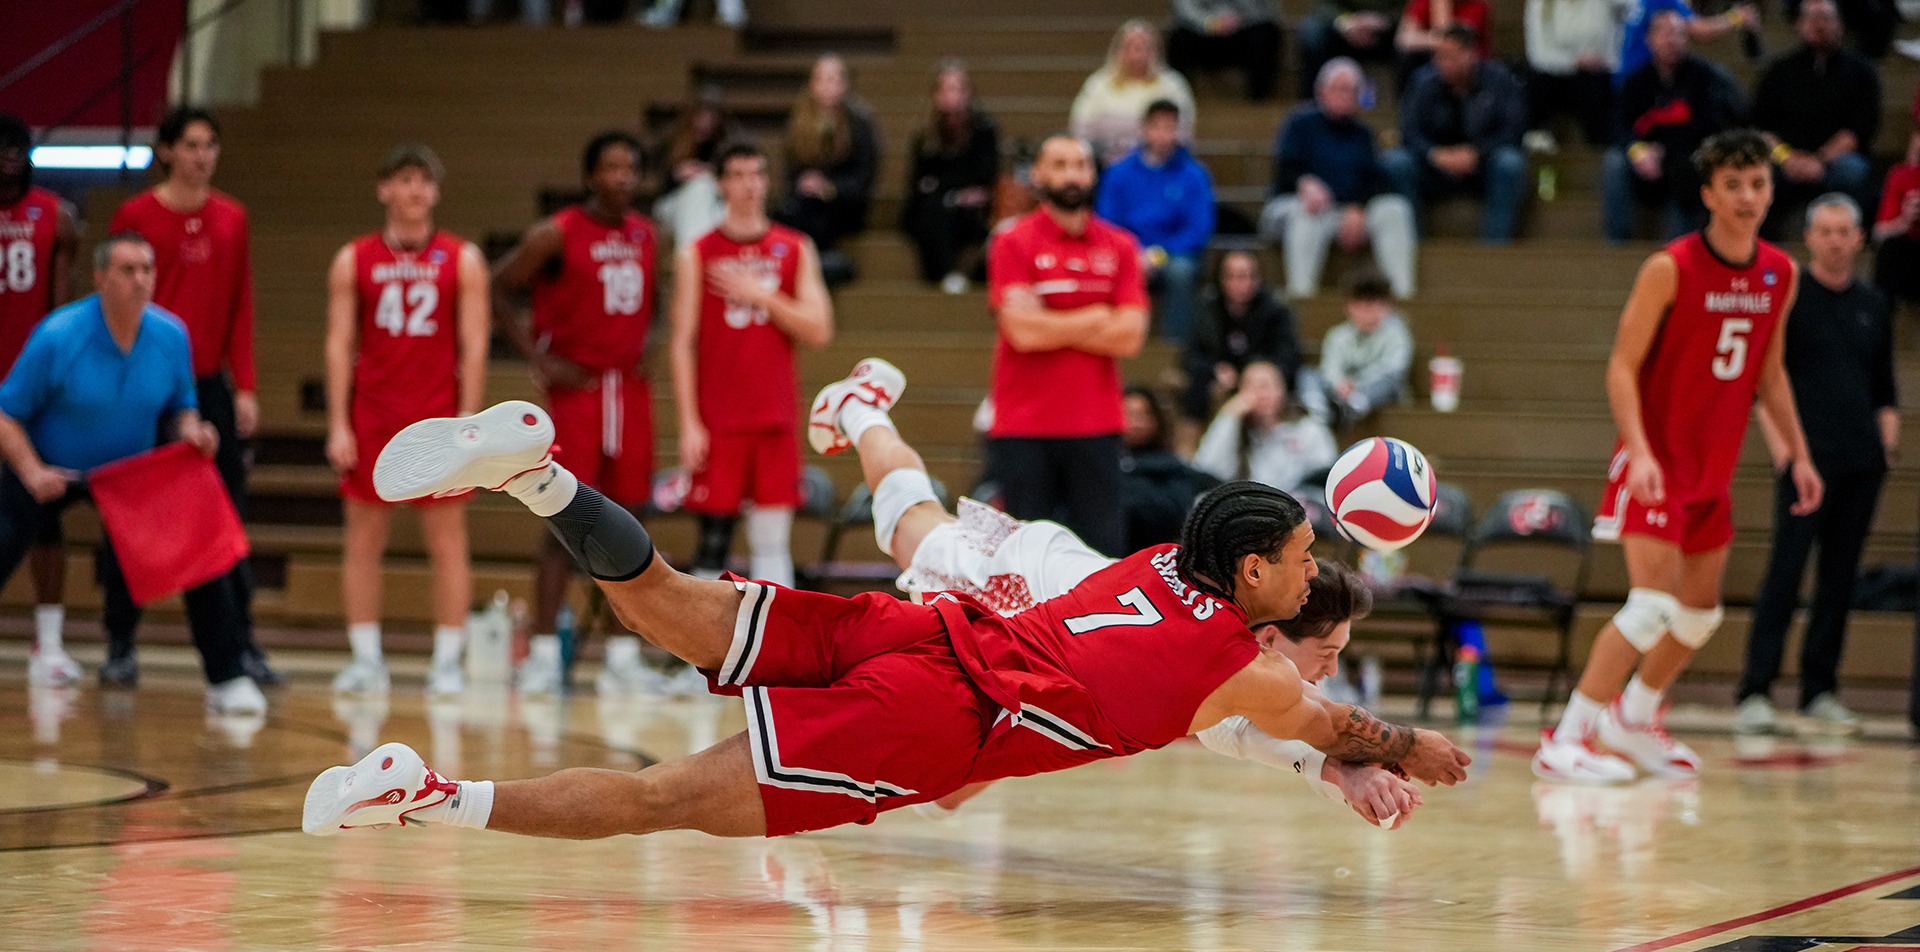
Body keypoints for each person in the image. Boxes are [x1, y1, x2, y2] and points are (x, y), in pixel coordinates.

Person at [301, 364, 1470, 837]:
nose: (1315, 570)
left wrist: (1333, 745)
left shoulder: (1165, 558)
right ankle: (426, 794)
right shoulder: (1248, 672)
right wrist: (1404, 749)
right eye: (1308, 561)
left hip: (928, 621)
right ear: (1256, 580)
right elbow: (1317, 719)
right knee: (667, 798)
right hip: (934, 712)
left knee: (669, 600)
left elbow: (1284, 714)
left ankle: (543, 476)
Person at [811, 358, 1411, 824]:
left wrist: (1342, 766)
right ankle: (862, 408)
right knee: (905, 519)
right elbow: (1250, 734)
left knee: (953, 792)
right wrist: (1340, 773)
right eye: (1326, 657)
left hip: (1059, 607)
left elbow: (1272, 727)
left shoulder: (1227, 616)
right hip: (1018, 580)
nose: (1329, 674)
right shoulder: (1216, 657)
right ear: (1273, 638)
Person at [1536, 129, 1822, 783]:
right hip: (1656, 463)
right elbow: (1621, 367)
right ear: (1708, 194)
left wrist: (1798, 456)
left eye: (1758, 184)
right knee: (1651, 606)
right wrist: (1638, 452)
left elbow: (1770, 375)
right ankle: (1569, 735)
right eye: (1734, 185)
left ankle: (1634, 720)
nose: (1749, 196)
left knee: (1699, 613)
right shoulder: (1671, 266)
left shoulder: (1781, 271)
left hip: (1711, 471)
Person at [0, 234, 262, 713]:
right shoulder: (59, 336)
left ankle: (228, 677)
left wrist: (193, 431)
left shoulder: (171, 335)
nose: (140, 280)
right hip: (51, 468)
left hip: (131, 477)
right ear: (100, 278)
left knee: (203, 553)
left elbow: (181, 408)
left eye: (147, 270)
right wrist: (33, 471)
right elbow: (6, 413)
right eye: (127, 270)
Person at [489, 131, 660, 697]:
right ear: (591, 176)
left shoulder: (647, 235)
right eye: (610, 167)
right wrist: (538, 357)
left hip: (627, 394)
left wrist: (650, 346)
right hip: (578, 394)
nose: (622, 177)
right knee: (563, 522)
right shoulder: (556, 233)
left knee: (630, 526)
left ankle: (622, 657)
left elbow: (651, 306)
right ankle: (542, 652)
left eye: (630, 167)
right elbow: (497, 285)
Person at [110, 105, 275, 689]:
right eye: (192, 144)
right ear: (166, 151)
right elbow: (116, 302)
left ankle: (243, 644)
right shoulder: (135, 216)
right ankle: (119, 642)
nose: (203, 156)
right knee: (133, 515)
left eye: (211, 145)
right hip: (143, 388)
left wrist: (246, 386)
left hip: (207, 388)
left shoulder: (232, 218)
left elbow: (241, 307)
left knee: (225, 520)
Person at [323, 145, 488, 696]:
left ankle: (446, 661)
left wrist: (469, 423)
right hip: (373, 416)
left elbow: (474, 344)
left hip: (438, 419)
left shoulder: (461, 258)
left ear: (436, 193)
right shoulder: (354, 258)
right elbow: (339, 342)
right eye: (405, 180)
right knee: (364, 536)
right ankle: (366, 659)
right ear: (384, 189)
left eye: (425, 181)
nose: (416, 190)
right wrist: (339, 424)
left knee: (446, 537)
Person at [1734, 195, 1895, 737]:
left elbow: (1884, 388)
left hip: (1860, 464)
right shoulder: (1789, 297)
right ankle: (1755, 690)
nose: (1834, 239)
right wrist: (1785, 451)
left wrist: (1884, 450)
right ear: (1809, 238)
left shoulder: (1873, 303)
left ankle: (1819, 690)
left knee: (1839, 579)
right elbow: (1763, 378)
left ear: (1859, 237)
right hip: (1806, 463)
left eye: (1844, 230)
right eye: (1824, 230)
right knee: (1785, 573)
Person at [673, 142, 833, 587]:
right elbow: (681, 343)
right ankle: (698, 653)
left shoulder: (794, 247)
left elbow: (819, 329)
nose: (748, 184)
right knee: (711, 542)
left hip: (774, 416)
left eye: (756, 173)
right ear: (721, 184)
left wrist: (761, 294)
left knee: (772, 540)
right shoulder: (697, 253)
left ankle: (773, 652)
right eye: (738, 175)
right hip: (719, 419)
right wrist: (689, 422)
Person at [983, 134, 1149, 558]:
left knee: (1103, 559)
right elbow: (1022, 333)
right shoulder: (1011, 242)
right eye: (1059, 164)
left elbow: (1130, 336)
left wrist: (1049, 318)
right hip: (1024, 424)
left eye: (1080, 164)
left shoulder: (1121, 246)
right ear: (1038, 174)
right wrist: (1096, 317)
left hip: (1096, 422)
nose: (1071, 174)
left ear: (1093, 174)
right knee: (1021, 563)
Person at [0, 114, 81, 687]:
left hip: (28, 390)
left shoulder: (56, 216)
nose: (9, 155)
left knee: (43, 513)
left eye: (17, 147)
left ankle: (49, 643)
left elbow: (61, 309)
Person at [1259, 58, 1417, 300]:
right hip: (1295, 208)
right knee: (1307, 211)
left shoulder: (1363, 134)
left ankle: (1402, 297)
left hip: (1343, 212)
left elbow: (1375, 179)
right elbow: (1284, 169)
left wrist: (1357, 208)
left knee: (1395, 209)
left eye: (1353, 91)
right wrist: (1304, 183)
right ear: (1322, 91)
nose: (1346, 96)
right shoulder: (1299, 124)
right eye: (1340, 89)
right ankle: (1302, 298)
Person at [1602, 9, 1747, 243]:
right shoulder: (1636, 81)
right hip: (1645, 162)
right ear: (1649, 39)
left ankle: (1680, 248)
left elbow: (1711, 125)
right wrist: (1637, 150)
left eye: (1678, 34)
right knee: (1614, 162)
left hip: (1685, 157)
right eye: (1664, 33)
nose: (1671, 40)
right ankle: (1616, 243)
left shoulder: (1704, 77)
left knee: (1687, 167)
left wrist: (1664, 150)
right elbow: (1619, 125)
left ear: (1687, 40)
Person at [1380, 27, 1530, 244]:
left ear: (1470, 54)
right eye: (1439, 56)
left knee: (1510, 163)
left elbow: (1515, 129)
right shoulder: (1423, 82)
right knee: (1396, 162)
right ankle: (1415, 246)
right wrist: (1435, 154)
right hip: (1435, 168)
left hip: (1483, 167)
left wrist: (1478, 153)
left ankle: (1496, 249)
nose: (1443, 63)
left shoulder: (1500, 80)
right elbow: (1409, 132)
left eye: (1451, 56)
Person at [1751, 0, 1880, 235]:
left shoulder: (1861, 72)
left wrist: (1820, 160)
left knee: (1852, 173)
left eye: (1826, 18)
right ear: (1799, 25)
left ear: (1840, 25)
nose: (1819, 25)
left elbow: (1859, 130)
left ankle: (1851, 242)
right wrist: (1787, 158)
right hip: (1786, 160)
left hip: (1835, 161)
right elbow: (1762, 127)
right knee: (1757, 177)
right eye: (1811, 18)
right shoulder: (1779, 71)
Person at [1093, 100, 1215, 345]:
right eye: (1157, 127)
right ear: (1144, 129)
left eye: (1170, 128)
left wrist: (1158, 254)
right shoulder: (1118, 174)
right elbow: (1106, 222)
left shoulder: (1194, 175)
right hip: (1126, 251)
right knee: (1100, 267)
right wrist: (1132, 253)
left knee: (1181, 272)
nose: (1163, 134)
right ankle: (1109, 338)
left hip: (1173, 253)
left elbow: (1198, 228)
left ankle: (1175, 346)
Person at [774, 54, 879, 287]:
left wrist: (828, 187)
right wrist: (806, 185)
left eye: (834, 79)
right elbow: (791, 173)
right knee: (788, 212)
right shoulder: (799, 124)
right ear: (812, 84)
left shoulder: (859, 124)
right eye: (822, 79)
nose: (828, 86)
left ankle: (816, 267)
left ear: (845, 85)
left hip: (845, 204)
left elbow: (863, 179)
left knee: (814, 211)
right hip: (806, 202)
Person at [900, 60, 1000, 295]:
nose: (951, 96)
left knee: (959, 212)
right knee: (934, 212)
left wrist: (948, 188)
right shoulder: (925, 135)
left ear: (968, 93)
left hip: (972, 209)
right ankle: (943, 273)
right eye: (945, 89)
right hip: (933, 207)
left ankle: (964, 273)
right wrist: (951, 190)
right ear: (935, 94)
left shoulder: (984, 130)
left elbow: (985, 175)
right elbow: (919, 182)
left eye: (957, 89)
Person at [1180, 250, 1303, 424]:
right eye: (1234, 276)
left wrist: (1252, 374)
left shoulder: (1276, 310)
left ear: (1258, 279)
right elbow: (1191, 355)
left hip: (1262, 379)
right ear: (1221, 279)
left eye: (1247, 276)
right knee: (1196, 387)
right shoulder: (1207, 309)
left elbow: (1287, 357)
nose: (1242, 283)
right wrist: (1215, 369)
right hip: (1219, 381)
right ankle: (1195, 444)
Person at [1193, 359, 1338, 496]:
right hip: (1251, 509)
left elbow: (1324, 476)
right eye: (1251, 387)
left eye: (1266, 385)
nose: (1261, 394)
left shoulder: (1309, 429)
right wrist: (1230, 415)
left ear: (1282, 390)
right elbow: (1207, 470)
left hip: (1299, 508)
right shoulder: (1236, 430)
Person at [1070, 20, 1198, 166]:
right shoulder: (1098, 85)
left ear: (1155, 52)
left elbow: (1184, 130)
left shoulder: (1173, 85)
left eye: (1142, 48)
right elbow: (1081, 129)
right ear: (1117, 51)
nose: (1136, 55)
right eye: (1129, 48)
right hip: (1107, 164)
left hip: (1161, 164)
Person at [1297, 270, 1412, 427]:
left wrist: (1357, 384)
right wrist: (1339, 383)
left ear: (1387, 306)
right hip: (1341, 391)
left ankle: (1354, 406)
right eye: (1359, 306)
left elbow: (1394, 367)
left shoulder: (1396, 333)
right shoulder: (1338, 335)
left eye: (1371, 305)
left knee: (1390, 383)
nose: (1365, 313)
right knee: (1307, 374)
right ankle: (1318, 412)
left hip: (1374, 391)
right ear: (1347, 307)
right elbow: (1330, 367)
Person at [1524, 0, 1633, 149]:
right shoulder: (1540, 4)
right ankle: (1536, 145)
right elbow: (1538, 55)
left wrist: (1603, 61)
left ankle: (1605, 150)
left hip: (1599, 73)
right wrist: (1574, 62)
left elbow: (1631, 11)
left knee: (1597, 88)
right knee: (1538, 86)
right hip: (1555, 75)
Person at [1120, 385, 1215, 551]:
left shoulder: (1172, 468)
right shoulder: (1099, 468)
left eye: (1144, 414)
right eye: (1129, 414)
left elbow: (1174, 513)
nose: (1136, 423)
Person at [649, 87, 735, 251]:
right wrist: (679, 176)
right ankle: (694, 256)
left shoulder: (726, 146)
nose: (706, 122)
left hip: (715, 205)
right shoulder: (672, 143)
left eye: (711, 117)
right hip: (674, 203)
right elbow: (661, 192)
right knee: (698, 189)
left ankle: (694, 256)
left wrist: (711, 176)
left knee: (703, 187)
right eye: (701, 116)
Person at [1615, 0, 1758, 88]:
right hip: (1644, 78)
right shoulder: (1664, 0)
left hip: (1626, 73)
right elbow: (1700, 30)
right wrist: (1737, 18)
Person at [1165, 0, 1285, 102]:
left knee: (1267, 34)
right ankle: (1181, 98)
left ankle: (1259, 100)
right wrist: (1211, 22)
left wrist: (1239, 19)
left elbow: (1270, 11)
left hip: (1246, 28)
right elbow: (1185, 9)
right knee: (1178, 38)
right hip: (1203, 31)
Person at [1295, 0, 1400, 98]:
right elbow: (1324, 4)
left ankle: (1407, 108)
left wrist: (1385, 20)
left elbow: (1409, 7)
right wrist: (1347, 21)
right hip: (1342, 27)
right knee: (1312, 33)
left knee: (1409, 45)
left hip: (1388, 31)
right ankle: (1316, 106)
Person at [1872, 116, 1920, 308]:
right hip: (1910, 257)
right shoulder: (1901, 175)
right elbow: (1879, 233)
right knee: (1890, 249)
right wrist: (1905, 220)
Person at [1395, 0, 1493, 90]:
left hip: (1471, 68)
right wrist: (1436, 41)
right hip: (1435, 65)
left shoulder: (1476, 5)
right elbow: (1403, 39)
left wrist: (1440, 5)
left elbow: (1451, 43)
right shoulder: (1424, 2)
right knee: (1408, 58)